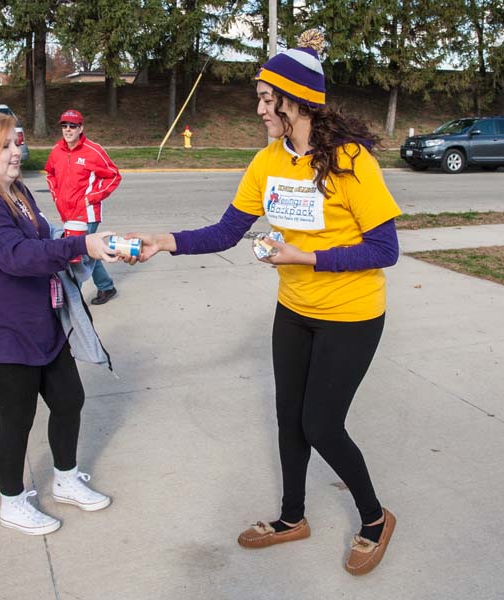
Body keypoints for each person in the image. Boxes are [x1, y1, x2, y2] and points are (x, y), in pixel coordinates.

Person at [127, 31, 400, 575]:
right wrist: (165, 241)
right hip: (295, 310)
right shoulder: (268, 162)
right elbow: (227, 231)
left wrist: (305, 257)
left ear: (293, 98)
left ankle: (374, 518)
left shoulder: (351, 160)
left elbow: (384, 248)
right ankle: (292, 517)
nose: (258, 109)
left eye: (264, 98)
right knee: (287, 418)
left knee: (322, 425)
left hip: (351, 315)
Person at [0, 113, 117, 535]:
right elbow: (18, 255)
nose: (15, 151)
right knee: (16, 420)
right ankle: (12, 500)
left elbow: (40, 236)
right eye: (4, 146)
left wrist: (80, 242)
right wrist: (80, 244)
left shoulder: (15, 190)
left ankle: (65, 477)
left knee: (68, 398)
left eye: (16, 142)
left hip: (39, 319)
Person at [45, 109, 122, 305]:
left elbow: (113, 175)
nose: (68, 130)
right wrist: (56, 195)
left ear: (81, 128)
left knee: (78, 256)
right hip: (67, 213)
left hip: (87, 214)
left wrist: (93, 197)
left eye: (72, 126)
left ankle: (72, 298)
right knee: (86, 252)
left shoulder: (93, 150)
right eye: (64, 126)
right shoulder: (56, 151)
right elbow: (50, 174)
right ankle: (107, 287)